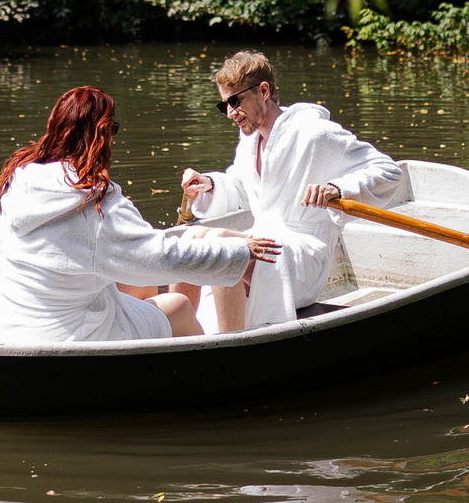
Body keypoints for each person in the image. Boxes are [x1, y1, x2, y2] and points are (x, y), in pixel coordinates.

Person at [0, 85, 281, 345]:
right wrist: (236, 252)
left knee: (141, 287)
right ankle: (213, 374)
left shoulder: (15, 185)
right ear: (101, 136)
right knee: (178, 306)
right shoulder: (96, 202)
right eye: (112, 130)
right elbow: (160, 258)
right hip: (66, 336)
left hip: (3, 323)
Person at [173, 51, 404, 331]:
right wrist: (209, 184)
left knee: (224, 242)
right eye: (224, 106)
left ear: (264, 90)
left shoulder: (314, 132)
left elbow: (388, 171)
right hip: (264, 242)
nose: (231, 113)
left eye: (235, 101)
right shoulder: (250, 141)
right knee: (192, 237)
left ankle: (230, 346)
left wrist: (337, 188)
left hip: (303, 256)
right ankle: (179, 331)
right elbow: (243, 190)